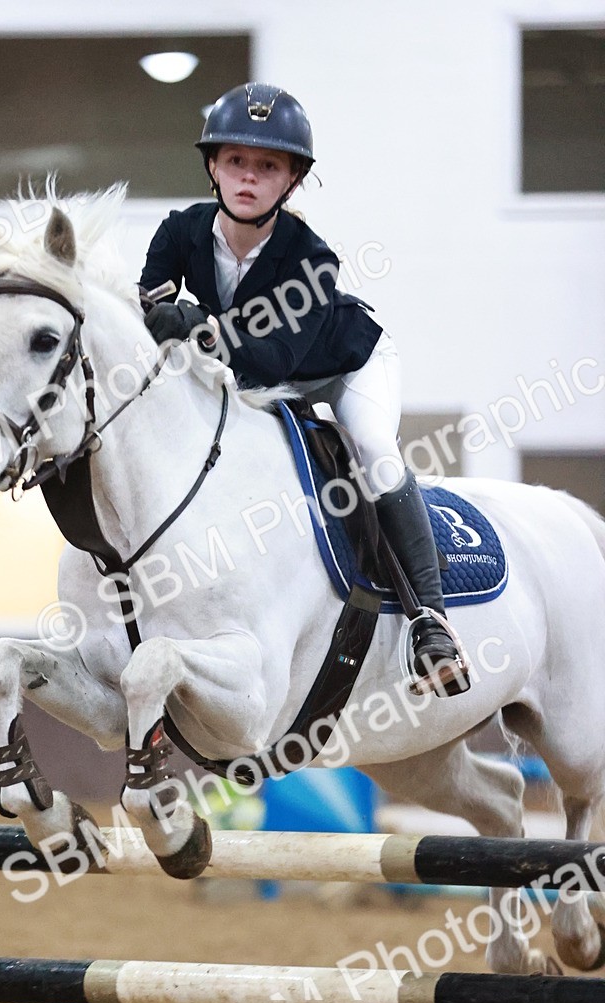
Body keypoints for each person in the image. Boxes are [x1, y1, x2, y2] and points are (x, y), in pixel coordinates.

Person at [140, 81, 469, 696]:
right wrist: (186, 326)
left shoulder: (312, 259)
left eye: (267, 166)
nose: (248, 177)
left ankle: (432, 622)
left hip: (346, 363)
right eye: (235, 160)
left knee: (374, 450)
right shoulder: (179, 233)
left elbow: (270, 363)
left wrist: (196, 325)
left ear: (291, 180)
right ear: (212, 165)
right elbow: (149, 319)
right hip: (257, 366)